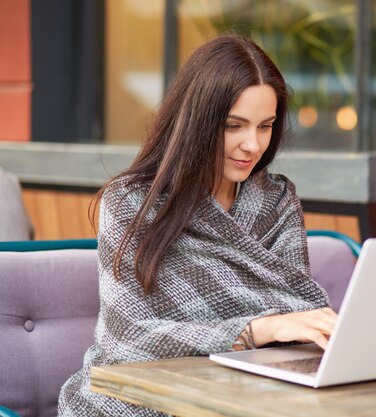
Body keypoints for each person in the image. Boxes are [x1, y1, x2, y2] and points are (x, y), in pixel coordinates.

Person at [58, 34, 337, 416]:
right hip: (131, 399)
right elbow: (130, 336)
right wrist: (256, 330)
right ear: (197, 121)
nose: (252, 146)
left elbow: (297, 311)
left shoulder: (276, 201)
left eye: (265, 126)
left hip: (242, 396)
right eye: (233, 126)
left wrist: (279, 326)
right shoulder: (131, 203)